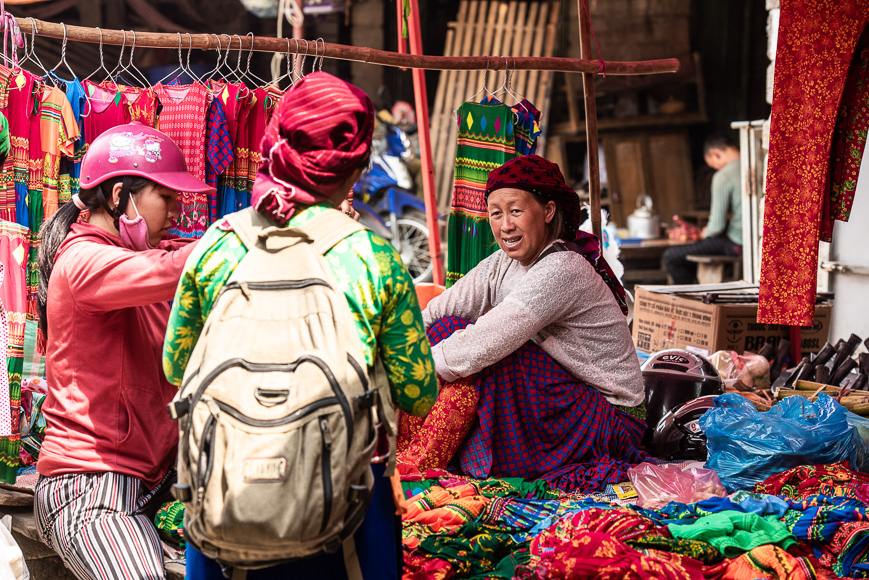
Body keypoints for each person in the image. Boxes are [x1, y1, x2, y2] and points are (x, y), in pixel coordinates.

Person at [162, 72, 438, 580]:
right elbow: (418, 391)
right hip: (347, 507)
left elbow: (176, 366)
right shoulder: (372, 258)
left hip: (226, 503)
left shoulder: (217, 246)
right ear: (356, 167)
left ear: (274, 148)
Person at [397, 154, 648, 493]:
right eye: (495, 214)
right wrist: (397, 350)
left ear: (548, 211)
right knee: (445, 329)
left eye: (515, 211)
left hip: (610, 419)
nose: (505, 225)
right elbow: (438, 312)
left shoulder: (563, 268)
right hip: (564, 403)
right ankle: (410, 452)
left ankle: (423, 461)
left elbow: (483, 342)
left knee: (489, 354)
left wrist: (411, 367)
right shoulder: (502, 263)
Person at [33, 123, 215, 580]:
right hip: (92, 489)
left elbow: (182, 256)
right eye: (166, 198)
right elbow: (188, 262)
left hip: (152, 485)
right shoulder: (83, 262)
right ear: (119, 196)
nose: (176, 211)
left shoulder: (140, 252)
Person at [663, 133, 742, 284]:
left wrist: (705, 232)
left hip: (736, 244)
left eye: (713, 165)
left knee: (671, 256)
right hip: (751, 241)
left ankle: (690, 302)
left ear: (715, 155)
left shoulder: (723, 176)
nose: (716, 169)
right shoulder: (754, 162)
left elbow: (716, 227)